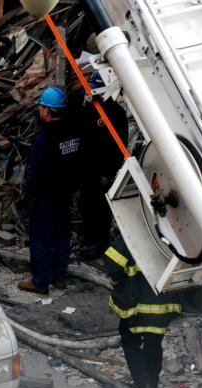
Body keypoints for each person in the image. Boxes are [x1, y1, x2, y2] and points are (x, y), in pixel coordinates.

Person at [103, 234, 182, 388]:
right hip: (162, 305)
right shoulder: (170, 234)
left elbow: (112, 265)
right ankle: (152, 385)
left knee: (130, 343)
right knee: (154, 344)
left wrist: (121, 283)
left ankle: (143, 386)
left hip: (135, 305)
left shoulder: (132, 231)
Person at [18, 86, 83, 295]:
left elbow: (35, 171)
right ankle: (58, 277)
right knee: (61, 235)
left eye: (41, 107)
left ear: (46, 110)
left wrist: (26, 192)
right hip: (65, 193)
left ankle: (39, 282)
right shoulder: (73, 131)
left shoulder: (44, 138)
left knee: (41, 238)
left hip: (45, 196)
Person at [77, 71, 128, 260]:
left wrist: (108, 171)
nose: (92, 91)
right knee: (86, 206)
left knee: (100, 209)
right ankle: (88, 240)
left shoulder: (115, 113)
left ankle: (99, 244)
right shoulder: (90, 110)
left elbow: (118, 146)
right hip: (86, 170)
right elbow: (83, 140)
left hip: (101, 174)